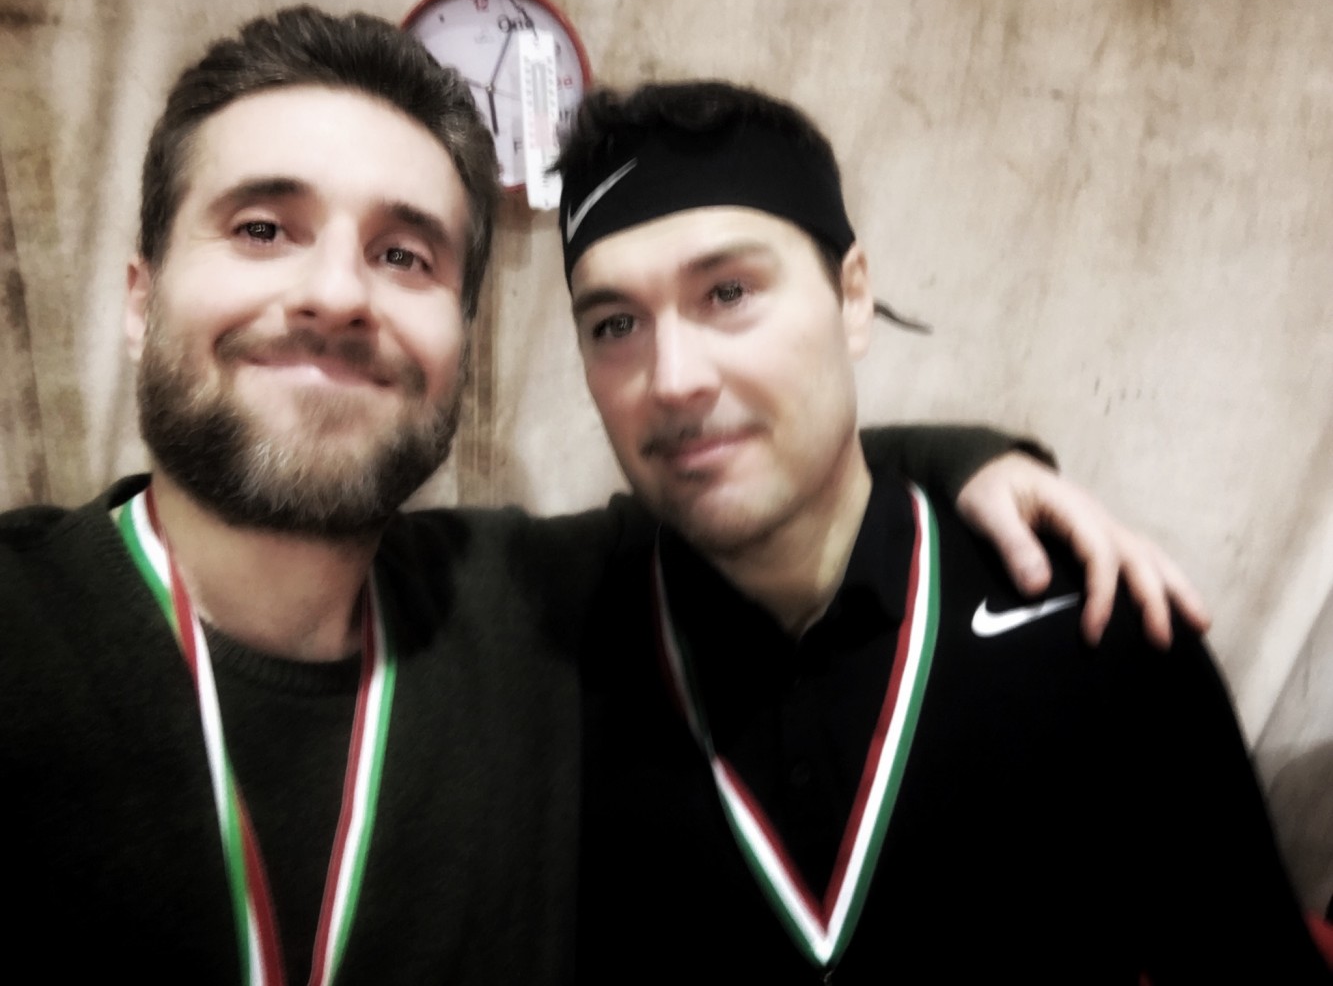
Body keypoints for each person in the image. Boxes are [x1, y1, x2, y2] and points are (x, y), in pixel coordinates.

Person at [0, 7, 1206, 984]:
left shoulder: (518, 603)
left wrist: (975, 459)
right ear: (139, 299)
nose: (337, 295)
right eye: (264, 227)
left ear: (459, 343)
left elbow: (769, 466)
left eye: (404, 254)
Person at [559, 81, 1331, 982]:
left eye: (728, 292)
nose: (672, 378)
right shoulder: (554, 672)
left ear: (853, 298)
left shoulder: (1094, 625)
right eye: (614, 324)